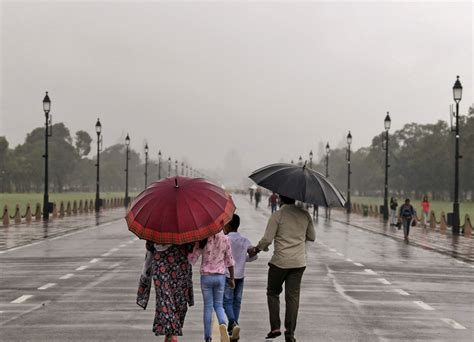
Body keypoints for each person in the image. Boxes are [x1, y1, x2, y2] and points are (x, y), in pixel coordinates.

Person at [250, 195, 315, 342]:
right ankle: (290, 333)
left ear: (280, 198)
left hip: (280, 262)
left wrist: (256, 249)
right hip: (298, 263)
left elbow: (267, 239)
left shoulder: (277, 215)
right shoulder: (305, 214)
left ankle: (275, 327)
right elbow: (312, 236)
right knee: (292, 298)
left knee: (272, 292)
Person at [137, 241, 194, 342]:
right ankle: (172, 334)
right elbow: (191, 246)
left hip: (162, 263)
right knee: (174, 300)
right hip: (180, 263)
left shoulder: (156, 227)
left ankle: (170, 334)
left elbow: (149, 246)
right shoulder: (184, 227)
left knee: (166, 299)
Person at [188, 231, 235, 342]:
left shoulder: (203, 238)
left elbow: (192, 259)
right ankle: (223, 324)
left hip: (206, 277)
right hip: (220, 277)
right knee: (219, 305)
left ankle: (208, 337)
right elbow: (230, 261)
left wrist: (192, 246)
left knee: (208, 307)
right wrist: (232, 278)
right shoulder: (225, 238)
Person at [222, 214, 258, 341]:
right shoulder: (245, 240)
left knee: (226, 301)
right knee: (237, 302)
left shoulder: (225, 239)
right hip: (240, 276)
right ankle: (234, 328)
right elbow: (253, 256)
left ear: (228, 226)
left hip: (227, 276)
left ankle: (232, 323)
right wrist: (244, 258)